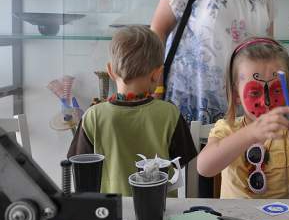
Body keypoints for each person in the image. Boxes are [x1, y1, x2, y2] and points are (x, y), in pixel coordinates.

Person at [196, 37, 289, 198]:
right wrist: (250, 134)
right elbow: (204, 168)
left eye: (277, 91)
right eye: (254, 92)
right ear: (236, 94)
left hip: (285, 214)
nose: (266, 101)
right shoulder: (227, 128)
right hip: (235, 215)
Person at [67, 25, 198, 196]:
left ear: (110, 71)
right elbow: (184, 162)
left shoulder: (93, 116)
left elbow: (79, 167)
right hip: (159, 208)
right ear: (157, 74)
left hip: (110, 209)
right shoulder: (170, 114)